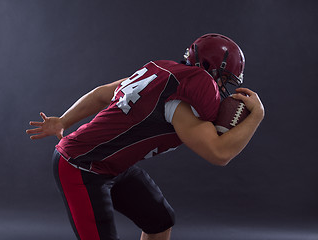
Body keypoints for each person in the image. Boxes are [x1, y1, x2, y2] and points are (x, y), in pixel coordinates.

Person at [26, 33, 264, 240]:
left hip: (112, 164)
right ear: (210, 68)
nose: (224, 88)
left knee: (160, 221)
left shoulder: (162, 75)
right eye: (223, 80)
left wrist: (63, 121)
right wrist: (256, 116)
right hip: (79, 166)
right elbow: (220, 154)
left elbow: (102, 94)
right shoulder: (180, 104)